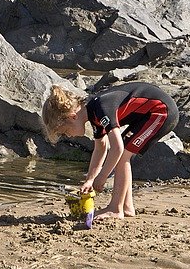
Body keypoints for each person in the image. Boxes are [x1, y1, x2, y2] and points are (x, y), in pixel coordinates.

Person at [41, 82, 178, 220]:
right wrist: (90, 180)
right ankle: (126, 207)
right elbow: (100, 148)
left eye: (65, 131)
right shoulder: (93, 113)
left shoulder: (101, 107)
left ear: (72, 116)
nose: (68, 136)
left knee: (123, 154)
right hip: (147, 114)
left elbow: (117, 148)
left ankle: (115, 209)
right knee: (124, 152)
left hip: (161, 111)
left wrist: (102, 177)